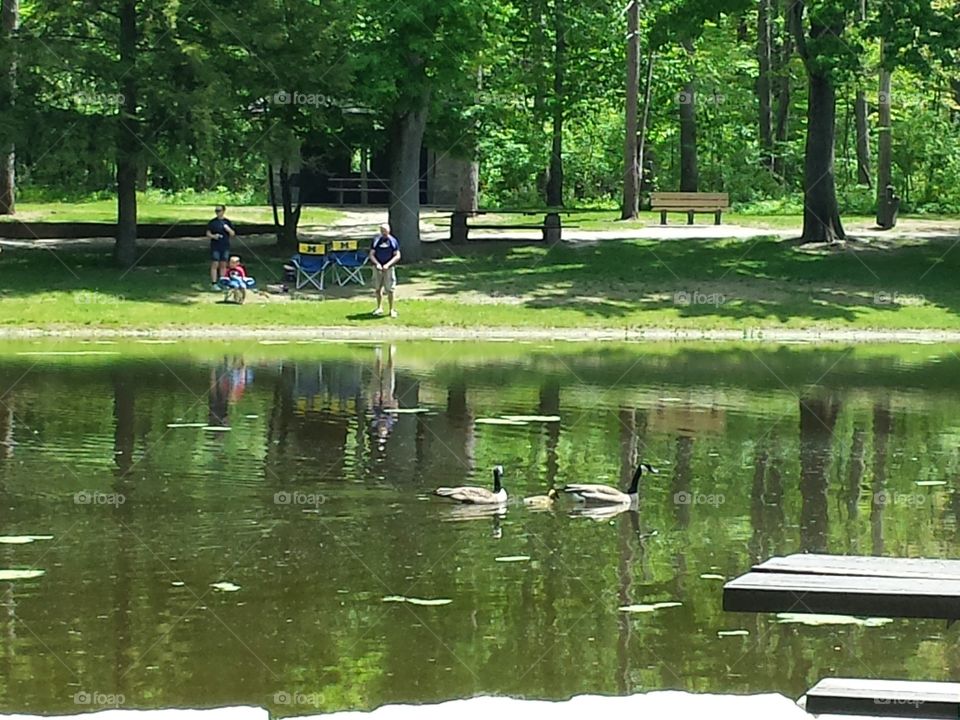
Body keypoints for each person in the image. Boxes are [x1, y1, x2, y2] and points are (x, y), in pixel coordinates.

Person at [369, 223, 401, 317]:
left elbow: (397, 255)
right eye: (382, 231)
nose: (384, 233)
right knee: (378, 288)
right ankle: (379, 307)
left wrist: (388, 265)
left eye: (385, 232)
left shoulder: (393, 241)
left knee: (390, 289)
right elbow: (371, 254)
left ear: (389, 231)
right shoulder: (376, 240)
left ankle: (391, 309)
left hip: (389, 268)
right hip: (377, 268)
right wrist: (377, 264)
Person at [205, 205, 236, 291]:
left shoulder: (227, 222)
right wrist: (213, 236)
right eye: (216, 211)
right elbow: (208, 233)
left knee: (223, 264)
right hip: (215, 245)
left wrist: (228, 229)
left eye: (219, 210)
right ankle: (214, 283)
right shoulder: (212, 222)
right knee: (215, 263)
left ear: (223, 211)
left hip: (225, 245)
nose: (218, 212)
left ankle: (223, 282)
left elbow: (233, 234)